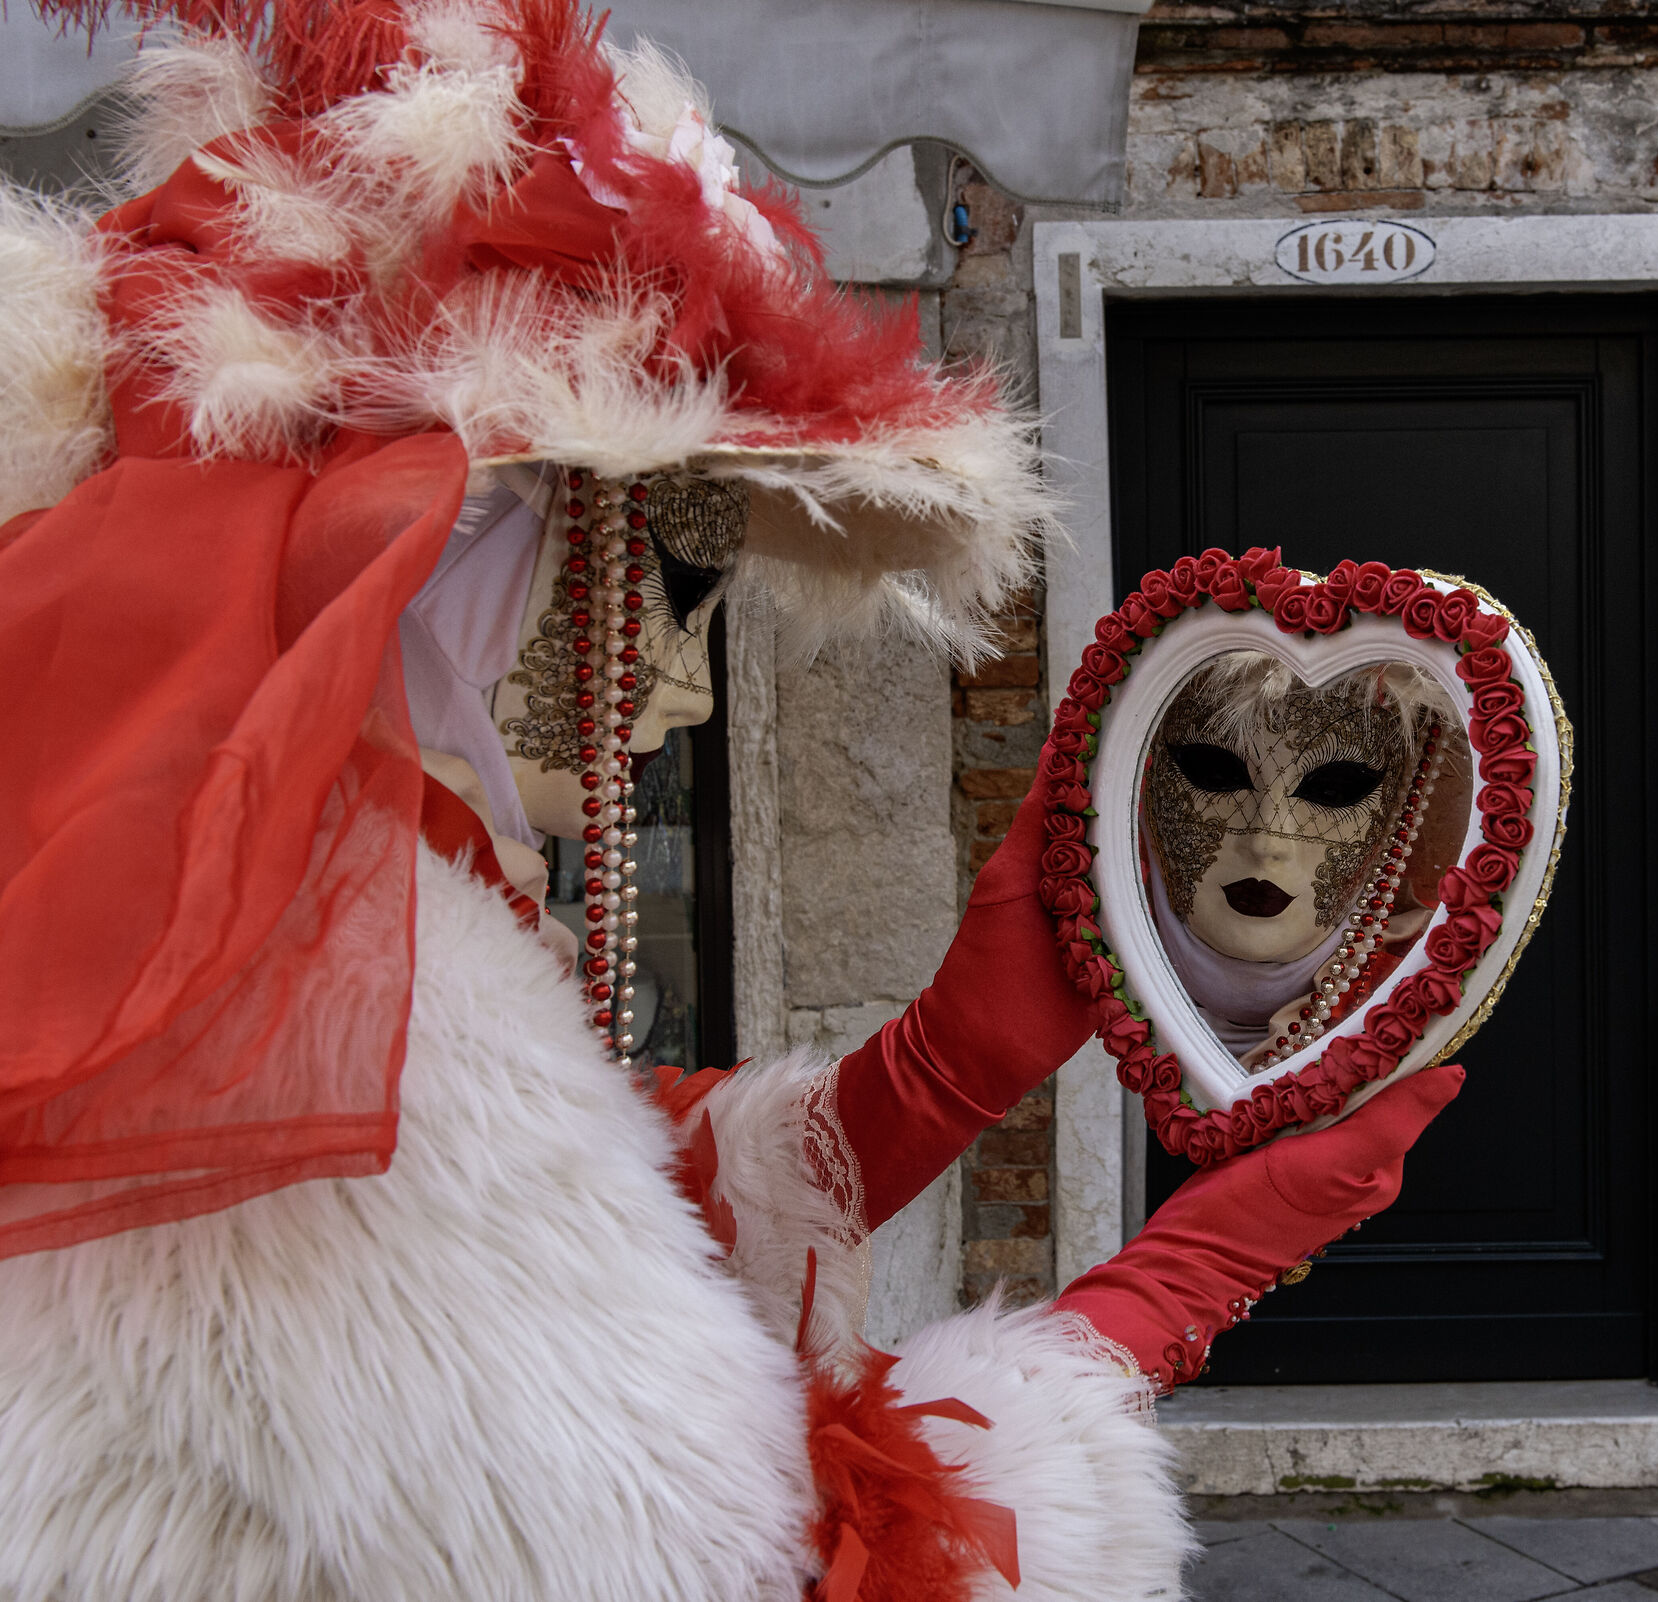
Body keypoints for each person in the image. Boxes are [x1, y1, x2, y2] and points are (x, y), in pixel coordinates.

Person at [0, 5, 1462, 1599]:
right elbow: (740, 1563)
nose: (683, 686)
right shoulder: (320, 1027)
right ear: (437, 549)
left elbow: (562, 1240)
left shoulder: (247, 904)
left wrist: (922, 1081)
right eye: (667, 579)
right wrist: (1152, 1312)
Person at [1142, 653, 1465, 1070]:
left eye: (1332, 791)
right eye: (1216, 774)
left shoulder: (1415, 988)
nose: (1265, 843)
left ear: (1398, 813)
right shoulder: (1094, 945)